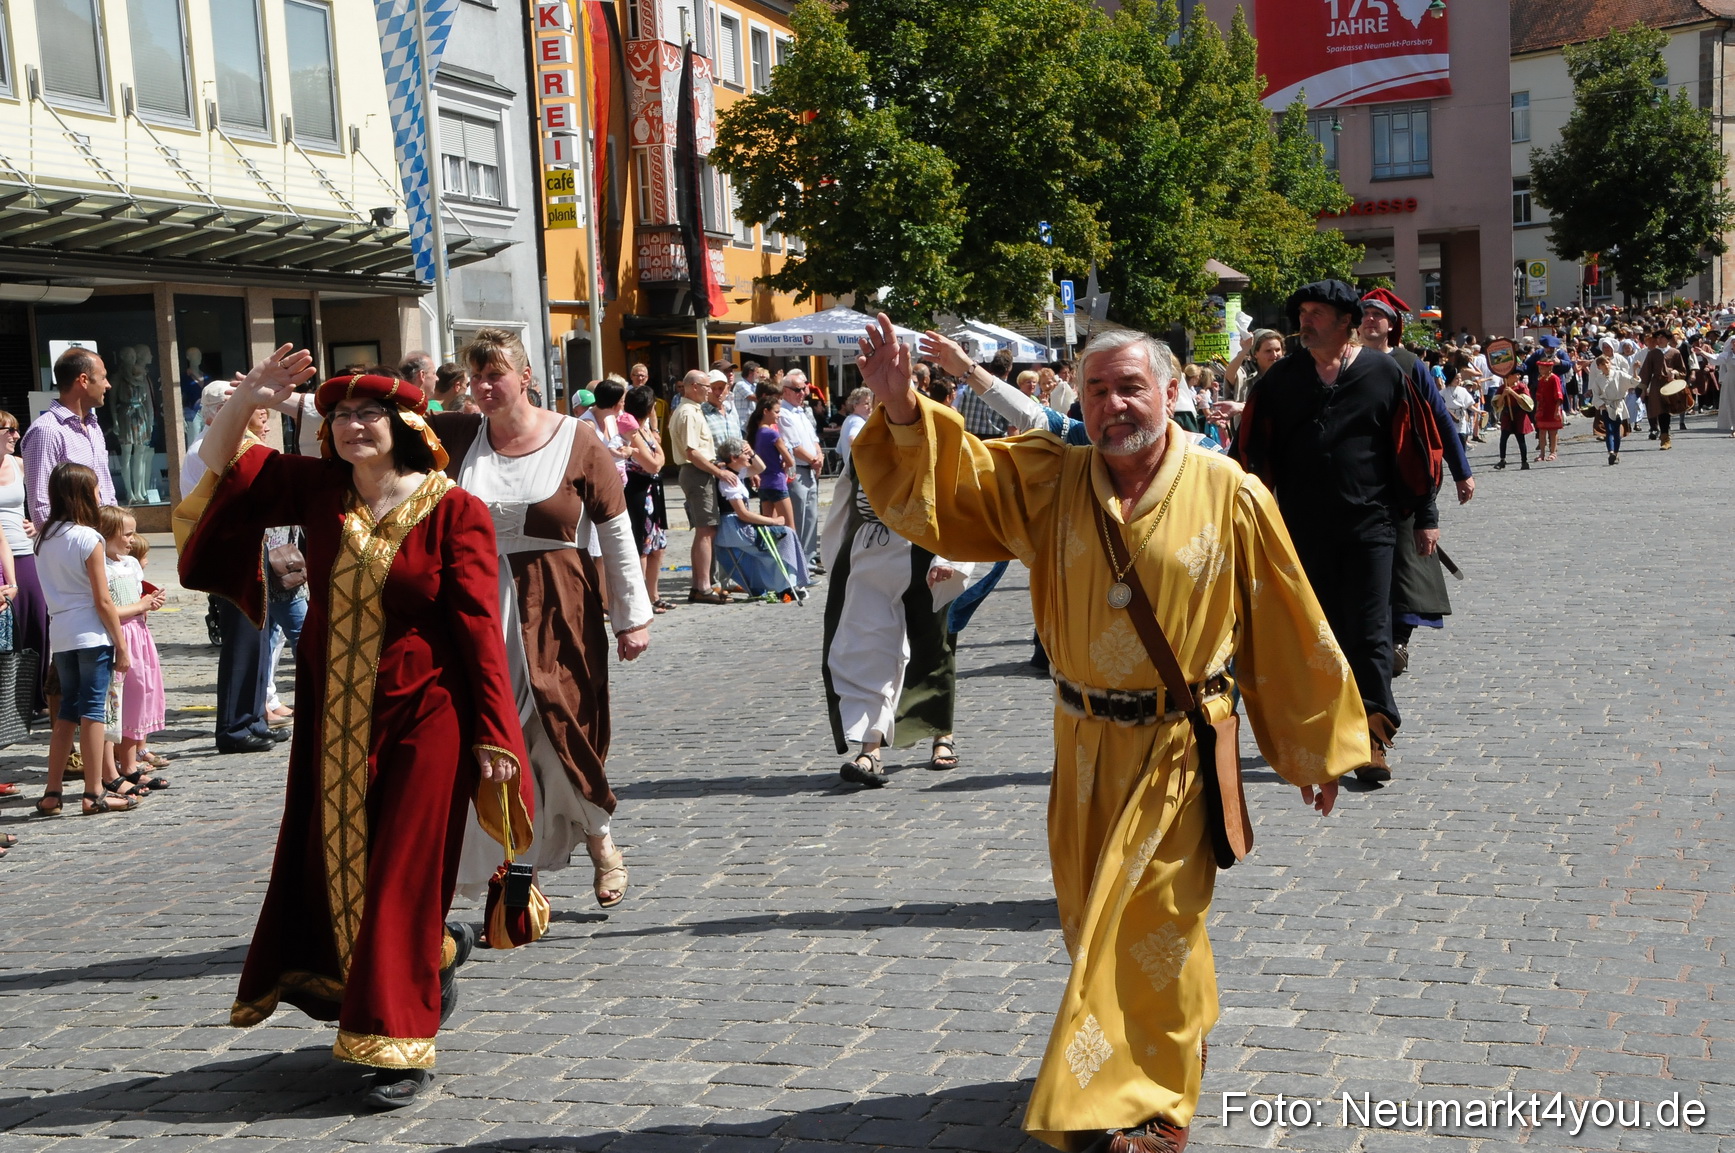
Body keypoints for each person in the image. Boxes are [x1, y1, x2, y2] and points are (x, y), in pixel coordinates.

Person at [850, 315, 1367, 1152]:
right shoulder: (1048, 478)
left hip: (1178, 746)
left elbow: (1283, 618)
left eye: (1131, 387)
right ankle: (1176, 1029)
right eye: (1096, 390)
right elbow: (954, 491)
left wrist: (1314, 746)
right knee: (1092, 916)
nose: (1113, 405)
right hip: (1083, 744)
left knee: (1153, 918)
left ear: (1172, 392)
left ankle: (1154, 1103)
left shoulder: (1229, 491)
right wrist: (904, 410)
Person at [177, 348, 531, 1110]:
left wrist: (496, 734)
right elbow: (220, 463)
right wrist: (249, 398)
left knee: (401, 875)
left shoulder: (453, 511)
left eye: (369, 413)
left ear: (406, 425)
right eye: (339, 415)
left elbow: (478, 631)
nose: (351, 425)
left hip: (427, 720)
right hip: (334, 721)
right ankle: (434, 953)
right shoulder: (319, 491)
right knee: (337, 866)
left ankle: (399, 1042)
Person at [432, 328, 652, 912]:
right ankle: (516, 872)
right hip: (477, 609)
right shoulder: (458, 436)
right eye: (475, 378)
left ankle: (599, 836)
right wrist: (273, 401)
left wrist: (631, 617)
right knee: (495, 740)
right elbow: (374, 426)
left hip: (558, 606)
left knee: (560, 731)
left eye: (495, 375)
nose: (483, 387)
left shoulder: (576, 439)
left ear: (526, 375)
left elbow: (616, 531)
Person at [1235, 281, 1423, 782]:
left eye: (1317, 313)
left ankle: (1372, 740)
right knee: (1318, 633)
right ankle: (1328, 733)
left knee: (1371, 632)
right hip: (1301, 529)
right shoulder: (1280, 380)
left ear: (1347, 322)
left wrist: (1424, 514)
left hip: (1371, 525)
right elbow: (1251, 452)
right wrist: (1245, 515)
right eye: (1303, 312)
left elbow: (1411, 443)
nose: (1306, 321)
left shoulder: (1383, 373)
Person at [821, 439, 974, 786]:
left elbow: (957, 503)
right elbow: (844, 506)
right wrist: (837, 563)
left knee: (932, 647)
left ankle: (941, 732)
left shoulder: (941, 442)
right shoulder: (863, 447)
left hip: (925, 554)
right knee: (867, 649)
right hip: (867, 557)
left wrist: (950, 558)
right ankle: (870, 749)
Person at [185, 383, 285, 754]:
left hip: (248, 545)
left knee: (258, 636)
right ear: (218, 413)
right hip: (228, 551)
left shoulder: (236, 444)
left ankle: (253, 718)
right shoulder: (207, 448)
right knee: (242, 641)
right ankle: (234, 727)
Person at [31, 464, 135, 817]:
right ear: (84, 494)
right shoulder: (88, 538)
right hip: (91, 632)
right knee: (93, 711)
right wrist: (122, 645)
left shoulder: (43, 539)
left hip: (61, 632)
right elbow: (102, 600)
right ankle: (93, 792)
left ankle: (52, 792)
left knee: (66, 712)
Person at [99, 505, 167, 796]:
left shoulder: (130, 564)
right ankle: (115, 768)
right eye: (127, 534)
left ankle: (129, 764)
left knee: (138, 698)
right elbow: (107, 608)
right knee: (117, 702)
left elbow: (138, 600)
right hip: (119, 637)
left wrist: (149, 603)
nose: (132, 540)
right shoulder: (101, 566)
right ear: (107, 534)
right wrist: (140, 605)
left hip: (139, 635)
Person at [25, 348, 117, 530]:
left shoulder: (93, 427)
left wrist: (116, 529)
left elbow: (107, 489)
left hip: (104, 537)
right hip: (73, 541)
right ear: (83, 380)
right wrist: (70, 541)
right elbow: (41, 506)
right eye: (103, 378)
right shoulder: (47, 431)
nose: (108, 385)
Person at [667, 369, 734, 604]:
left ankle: (700, 585)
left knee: (706, 530)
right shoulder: (688, 413)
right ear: (694, 387)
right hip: (696, 473)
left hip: (699, 471)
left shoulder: (692, 410)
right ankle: (703, 587)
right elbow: (692, 452)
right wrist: (719, 472)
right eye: (706, 386)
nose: (709, 391)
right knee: (706, 530)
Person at [620, 386, 674, 613]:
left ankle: (654, 594)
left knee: (658, 545)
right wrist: (657, 458)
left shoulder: (644, 429)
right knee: (643, 545)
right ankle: (641, 599)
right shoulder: (630, 430)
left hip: (652, 491)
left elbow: (659, 455)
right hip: (638, 492)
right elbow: (654, 463)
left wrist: (657, 457)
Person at [778, 369, 825, 573]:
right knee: (799, 517)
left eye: (804, 388)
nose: (803, 393)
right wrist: (814, 460)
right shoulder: (784, 413)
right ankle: (798, 563)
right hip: (797, 469)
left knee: (811, 516)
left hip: (811, 468)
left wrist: (819, 456)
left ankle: (809, 559)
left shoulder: (802, 412)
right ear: (786, 391)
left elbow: (814, 439)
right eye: (797, 389)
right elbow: (794, 446)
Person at [1638, 328, 1687, 449]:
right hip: (1657, 384)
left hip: (1670, 384)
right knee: (1660, 410)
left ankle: (1666, 436)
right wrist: (1643, 389)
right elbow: (1646, 372)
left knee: (1668, 409)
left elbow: (1682, 370)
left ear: (1668, 338)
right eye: (1658, 337)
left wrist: (1674, 372)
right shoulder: (1652, 353)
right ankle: (1664, 437)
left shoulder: (1675, 352)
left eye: (1662, 337)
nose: (1659, 340)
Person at [1590, 353, 1634, 464]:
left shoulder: (1618, 374)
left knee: (1616, 430)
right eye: (1602, 364)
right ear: (1598, 367)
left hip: (1618, 406)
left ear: (1610, 363)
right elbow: (1595, 394)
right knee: (1609, 430)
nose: (1606, 365)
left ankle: (1616, 453)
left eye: (1607, 362)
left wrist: (1635, 370)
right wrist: (1601, 404)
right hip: (1606, 407)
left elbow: (1632, 381)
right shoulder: (1598, 380)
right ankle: (1611, 452)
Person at [1494, 374, 1534, 471]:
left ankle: (1524, 462)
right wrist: (1504, 394)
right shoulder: (1502, 388)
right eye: (1516, 374)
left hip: (1519, 414)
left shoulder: (1521, 387)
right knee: (1503, 438)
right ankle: (1502, 460)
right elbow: (1498, 404)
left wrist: (1512, 392)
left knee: (1521, 439)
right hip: (1507, 414)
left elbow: (1525, 401)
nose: (1518, 376)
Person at [1532, 355, 1566, 461]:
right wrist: (1537, 409)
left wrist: (1557, 410)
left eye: (1542, 368)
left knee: (1553, 432)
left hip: (1553, 408)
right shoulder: (1541, 379)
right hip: (1543, 409)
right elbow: (1538, 396)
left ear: (1549, 368)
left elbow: (1558, 395)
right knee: (1541, 431)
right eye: (1539, 368)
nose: (1540, 370)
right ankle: (1542, 453)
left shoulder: (1554, 378)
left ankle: (1553, 452)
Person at [836, 387, 874, 469]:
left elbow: (839, 449)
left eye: (871, 403)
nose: (870, 406)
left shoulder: (848, 419)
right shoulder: (858, 421)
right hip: (860, 470)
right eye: (866, 403)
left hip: (851, 469)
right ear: (855, 405)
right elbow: (853, 439)